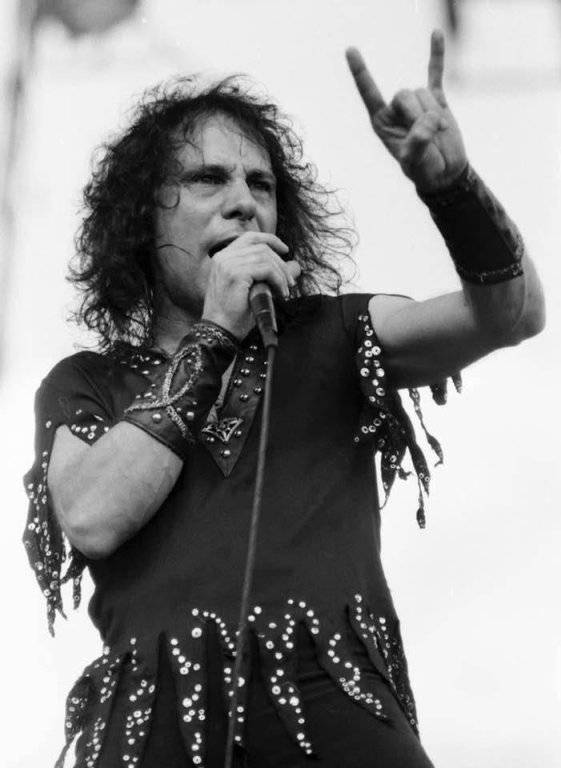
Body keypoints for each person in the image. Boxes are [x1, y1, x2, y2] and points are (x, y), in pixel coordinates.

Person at [23, 30, 545, 768]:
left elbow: (509, 316)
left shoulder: (334, 333)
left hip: (338, 719)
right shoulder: (88, 384)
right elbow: (93, 518)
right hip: (154, 733)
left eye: (261, 185)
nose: (243, 203)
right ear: (144, 218)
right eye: (208, 179)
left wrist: (451, 188)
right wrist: (214, 335)